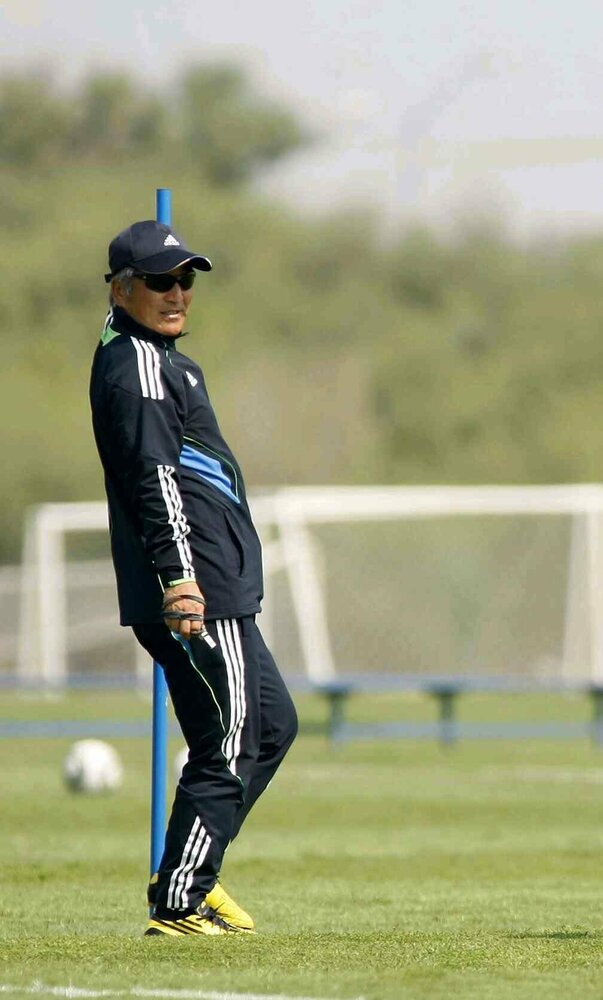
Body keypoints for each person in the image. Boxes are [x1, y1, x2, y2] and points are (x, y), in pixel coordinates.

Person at [89, 220, 298, 936]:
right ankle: (179, 899)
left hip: (218, 581)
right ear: (121, 289)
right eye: (159, 281)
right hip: (195, 585)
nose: (177, 293)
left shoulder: (163, 359)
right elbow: (154, 482)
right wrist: (181, 579)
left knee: (270, 728)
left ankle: (189, 872)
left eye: (186, 279)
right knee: (233, 737)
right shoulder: (139, 366)